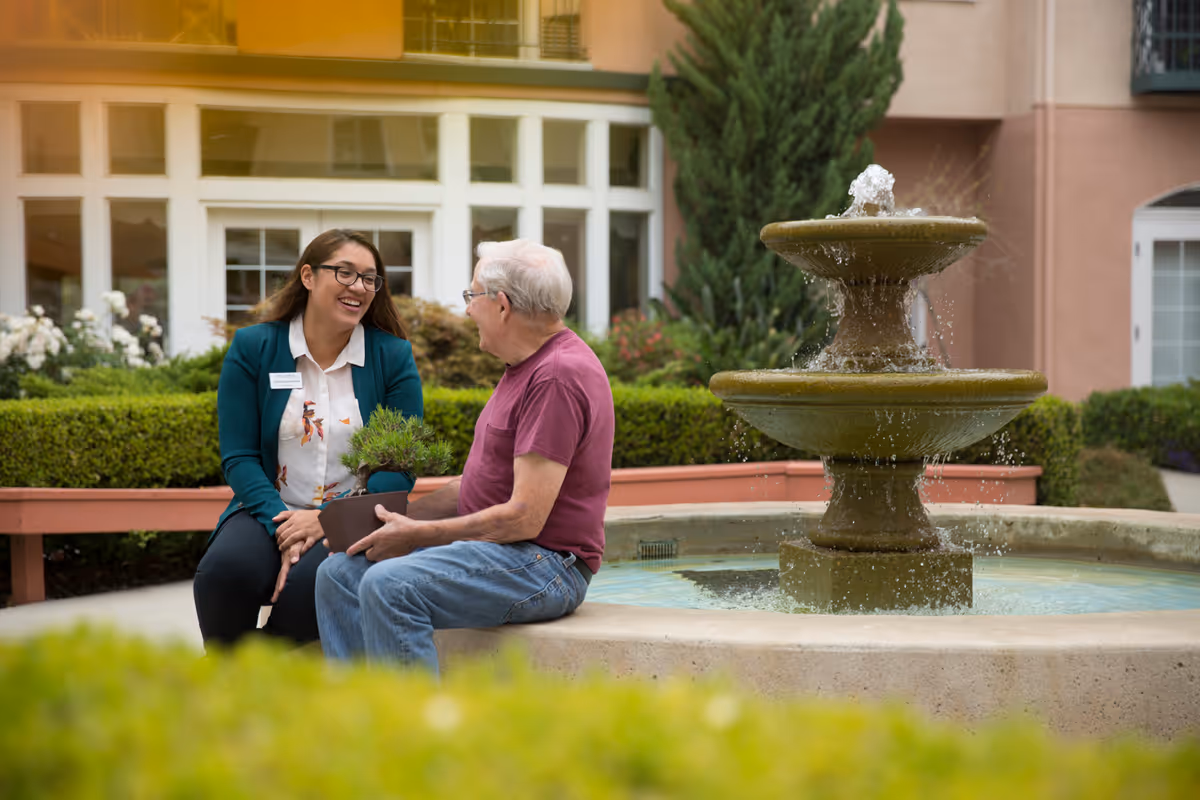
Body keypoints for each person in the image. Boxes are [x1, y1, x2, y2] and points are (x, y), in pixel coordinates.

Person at [315, 239, 614, 672]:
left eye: (472, 296)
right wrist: (394, 520)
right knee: (339, 573)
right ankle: (360, 719)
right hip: (505, 552)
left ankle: (411, 735)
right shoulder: (526, 366)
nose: (468, 309)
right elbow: (479, 487)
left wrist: (417, 535)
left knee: (389, 584)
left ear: (503, 305)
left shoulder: (557, 377)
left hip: (545, 564)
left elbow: (524, 518)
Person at [193, 229, 423, 650]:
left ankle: (259, 674)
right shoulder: (253, 347)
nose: (359, 287)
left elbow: (397, 469)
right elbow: (239, 456)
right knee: (226, 572)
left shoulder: (392, 357)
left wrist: (325, 519)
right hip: (269, 507)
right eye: (345, 273)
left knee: (312, 584)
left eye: (370, 279)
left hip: (354, 515)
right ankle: (225, 685)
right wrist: (287, 527)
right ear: (308, 277)